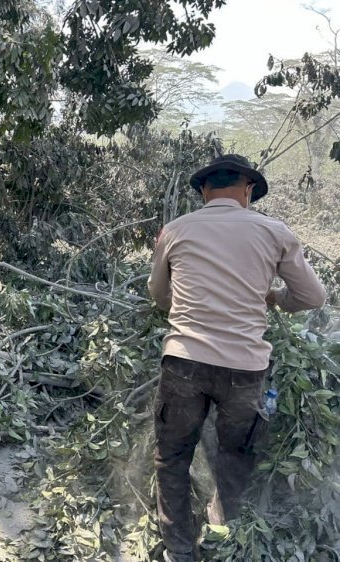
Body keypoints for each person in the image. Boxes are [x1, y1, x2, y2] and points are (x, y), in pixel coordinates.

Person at [148, 154, 326, 562]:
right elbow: (312, 297)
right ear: (247, 189)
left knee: (173, 457)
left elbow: (158, 295)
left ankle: (178, 552)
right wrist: (275, 298)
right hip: (245, 371)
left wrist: (189, 308)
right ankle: (220, 539)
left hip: (184, 363)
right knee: (234, 458)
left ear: (205, 191)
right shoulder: (274, 232)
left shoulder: (175, 230)